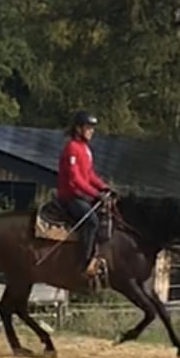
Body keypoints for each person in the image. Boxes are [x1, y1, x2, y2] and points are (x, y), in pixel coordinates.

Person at [56, 110, 112, 277]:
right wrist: (96, 193)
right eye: (89, 127)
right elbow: (76, 179)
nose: (92, 131)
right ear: (79, 129)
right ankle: (83, 262)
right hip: (70, 196)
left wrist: (104, 187)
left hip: (81, 195)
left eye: (92, 128)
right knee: (91, 221)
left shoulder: (85, 149)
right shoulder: (72, 148)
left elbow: (89, 175)